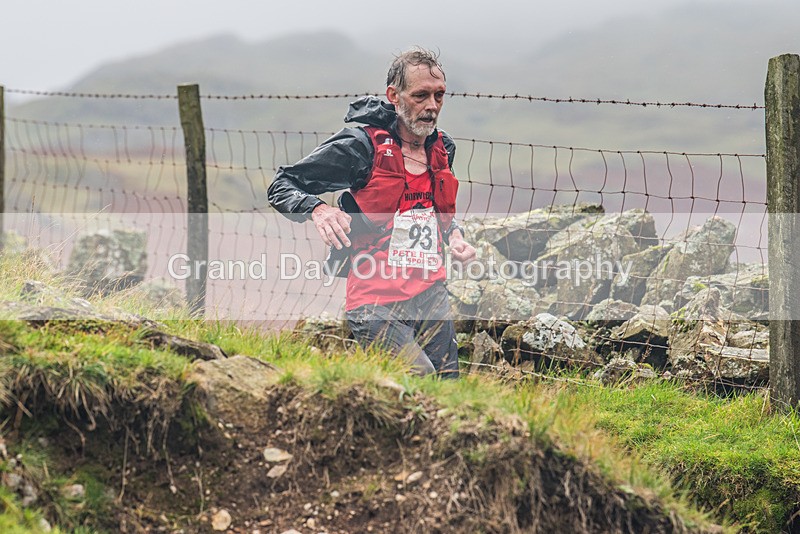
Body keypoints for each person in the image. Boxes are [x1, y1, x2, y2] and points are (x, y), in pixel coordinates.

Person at [268, 48, 476, 378]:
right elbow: (282, 184)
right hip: (375, 300)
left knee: (449, 386)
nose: (432, 106)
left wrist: (455, 235)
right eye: (421, 95)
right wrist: (318, 210)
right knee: (418, 377)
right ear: (394, 96)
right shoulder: (362, 147)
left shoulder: (441, 147)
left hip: (429, 291)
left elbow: (432, 209)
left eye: (439, 95)